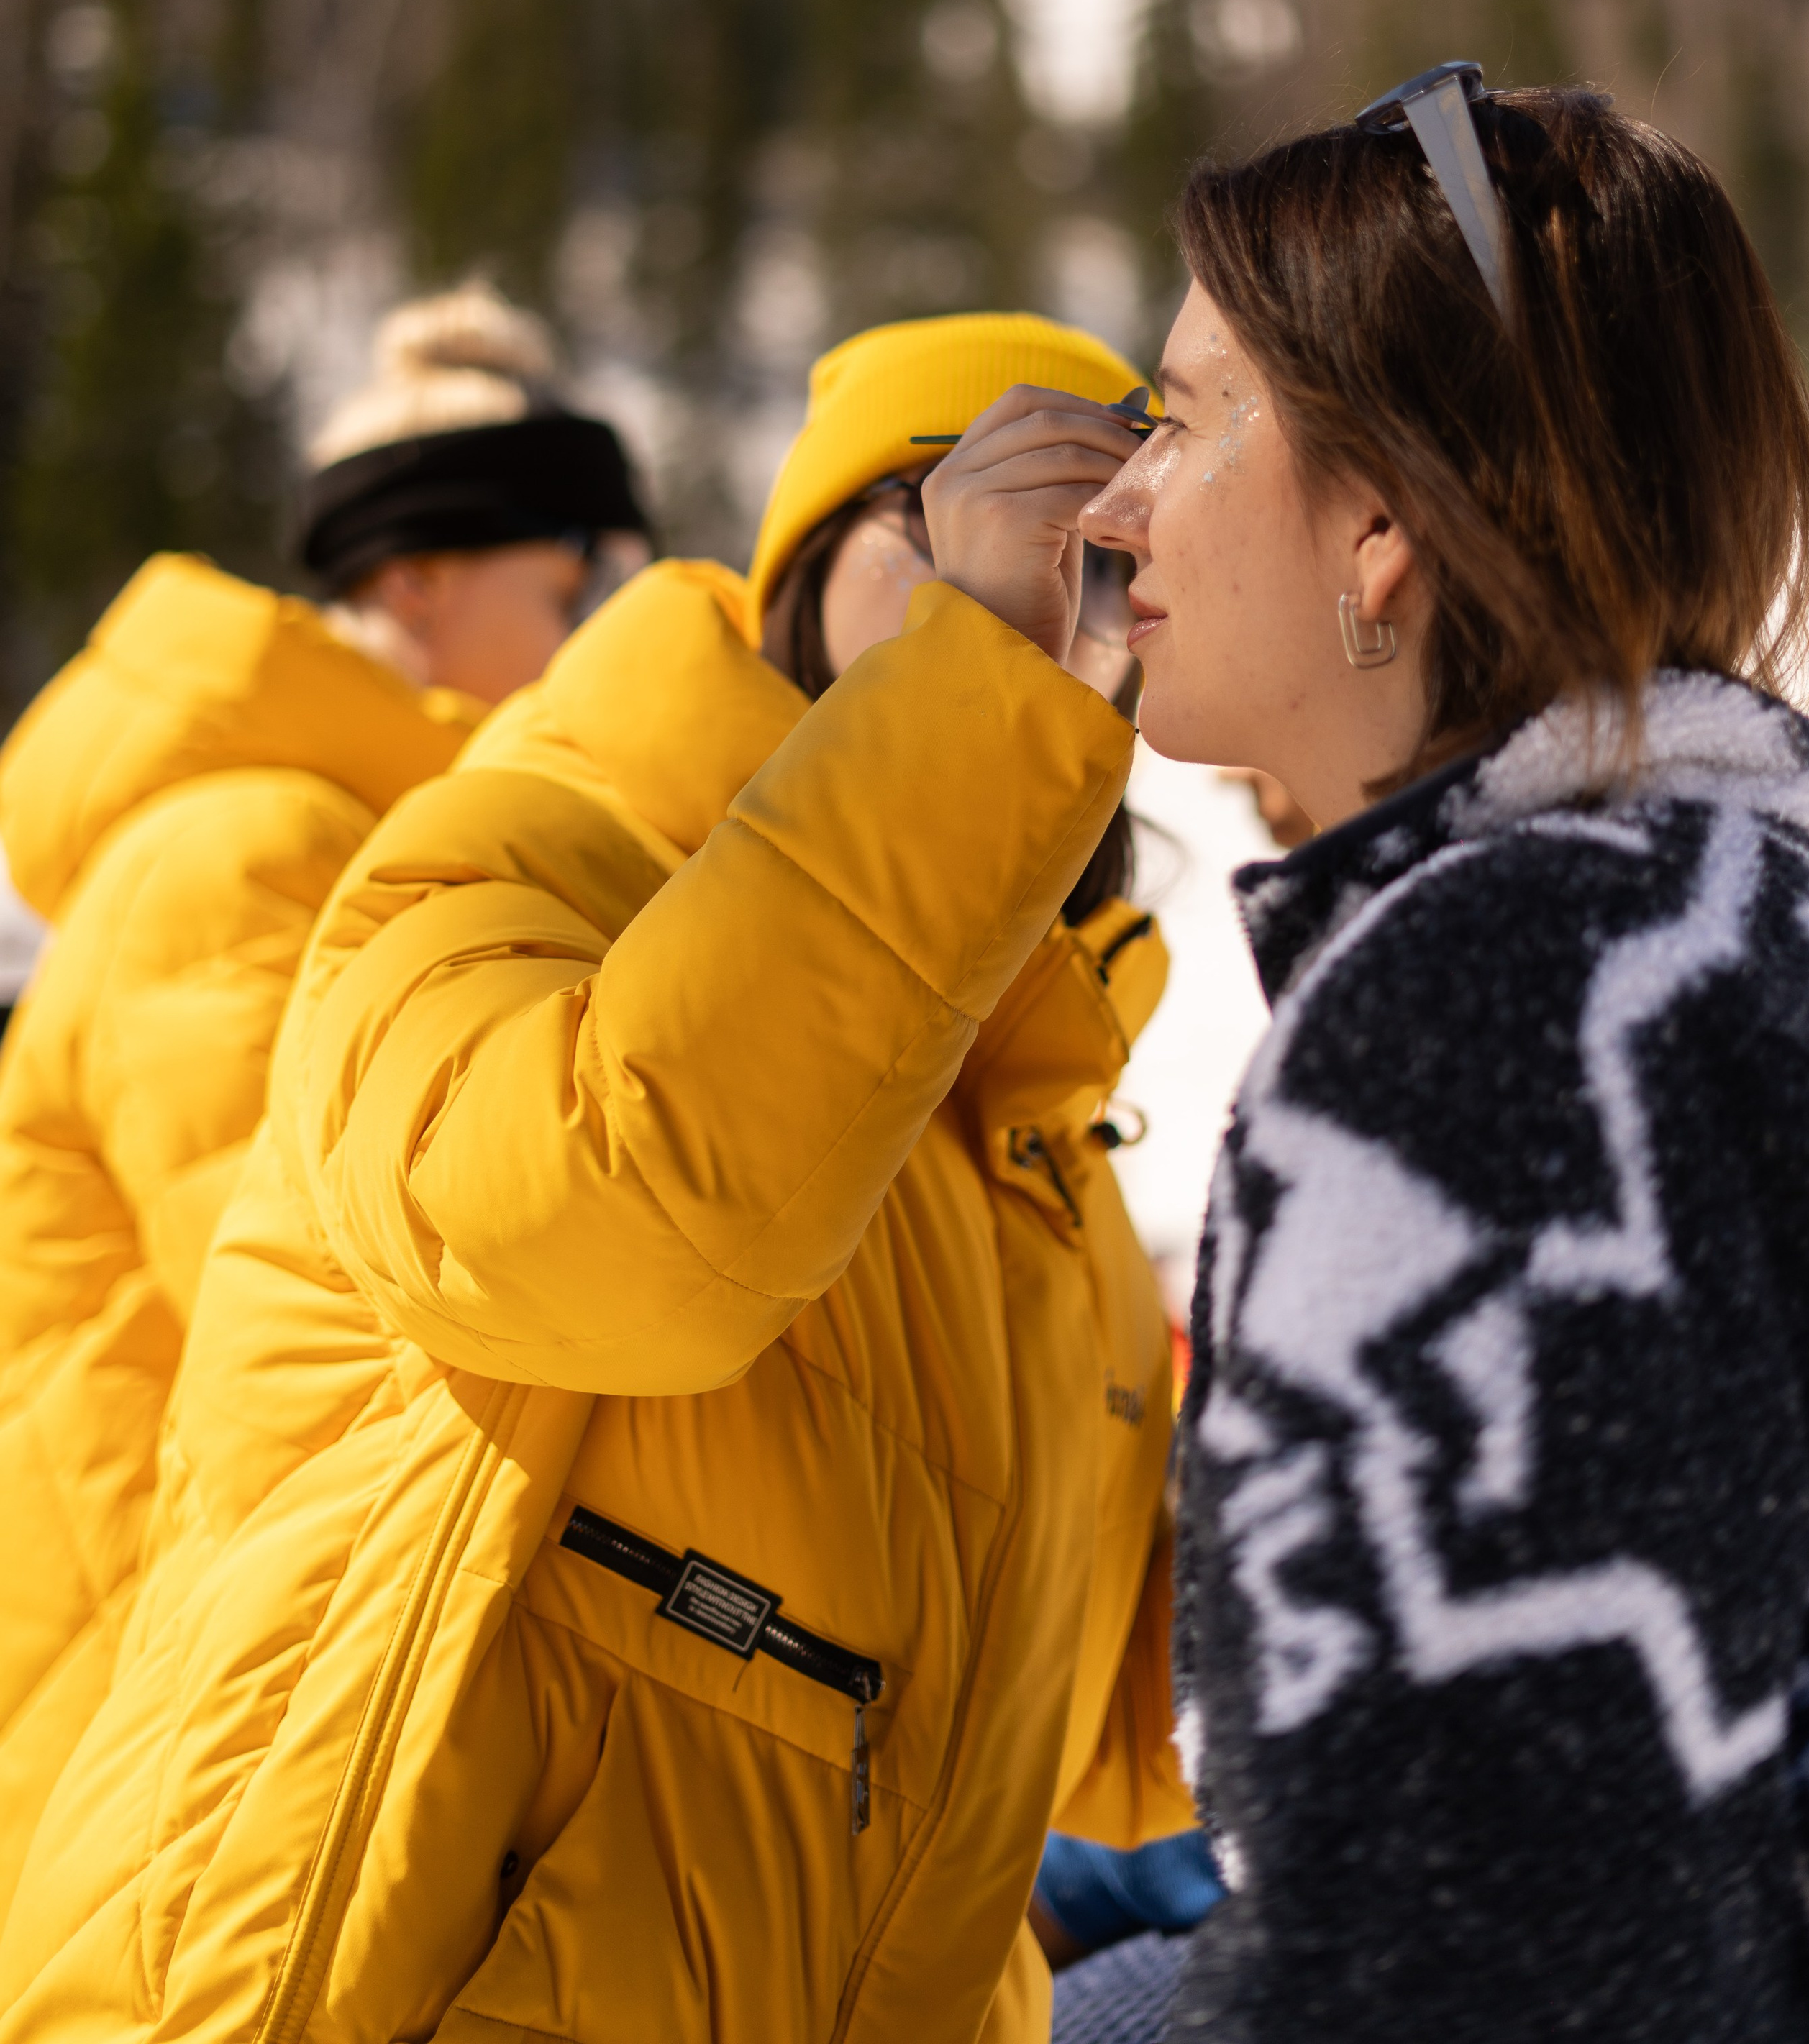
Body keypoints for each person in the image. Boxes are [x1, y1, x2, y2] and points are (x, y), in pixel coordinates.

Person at [0, 312, 1195, 2044]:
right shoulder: (463, 871)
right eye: (946, 523)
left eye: (1117, 559)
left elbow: (1090, 1711)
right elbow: (589, 1247)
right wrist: (983, 687)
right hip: (280, 1874)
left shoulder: (1026, 1149)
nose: (1038, 586)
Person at [1067, 67, 1809, 2038]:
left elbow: (1475, 1954)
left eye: (1185, 416)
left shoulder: (1500, 1016)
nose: (1110, 504)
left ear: (1386, 522)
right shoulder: (1724, 918)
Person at [0, 280, 647, 1924]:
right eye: (572, 591)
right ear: (415, 580)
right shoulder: (242, 856)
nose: (602, 644)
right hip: (143, 1754)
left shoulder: (373, 845)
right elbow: (351, 1313)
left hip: (230, 1720)